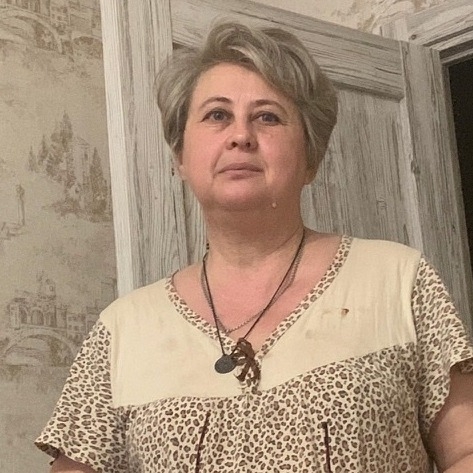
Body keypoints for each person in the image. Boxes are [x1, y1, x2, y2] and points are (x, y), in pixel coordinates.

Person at [36, 22, 473, 472]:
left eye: (268, 117)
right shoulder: (122, 331)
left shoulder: (398, 281)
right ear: (180, 157)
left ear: (310, 157)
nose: (240, 135)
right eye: (217, 115)